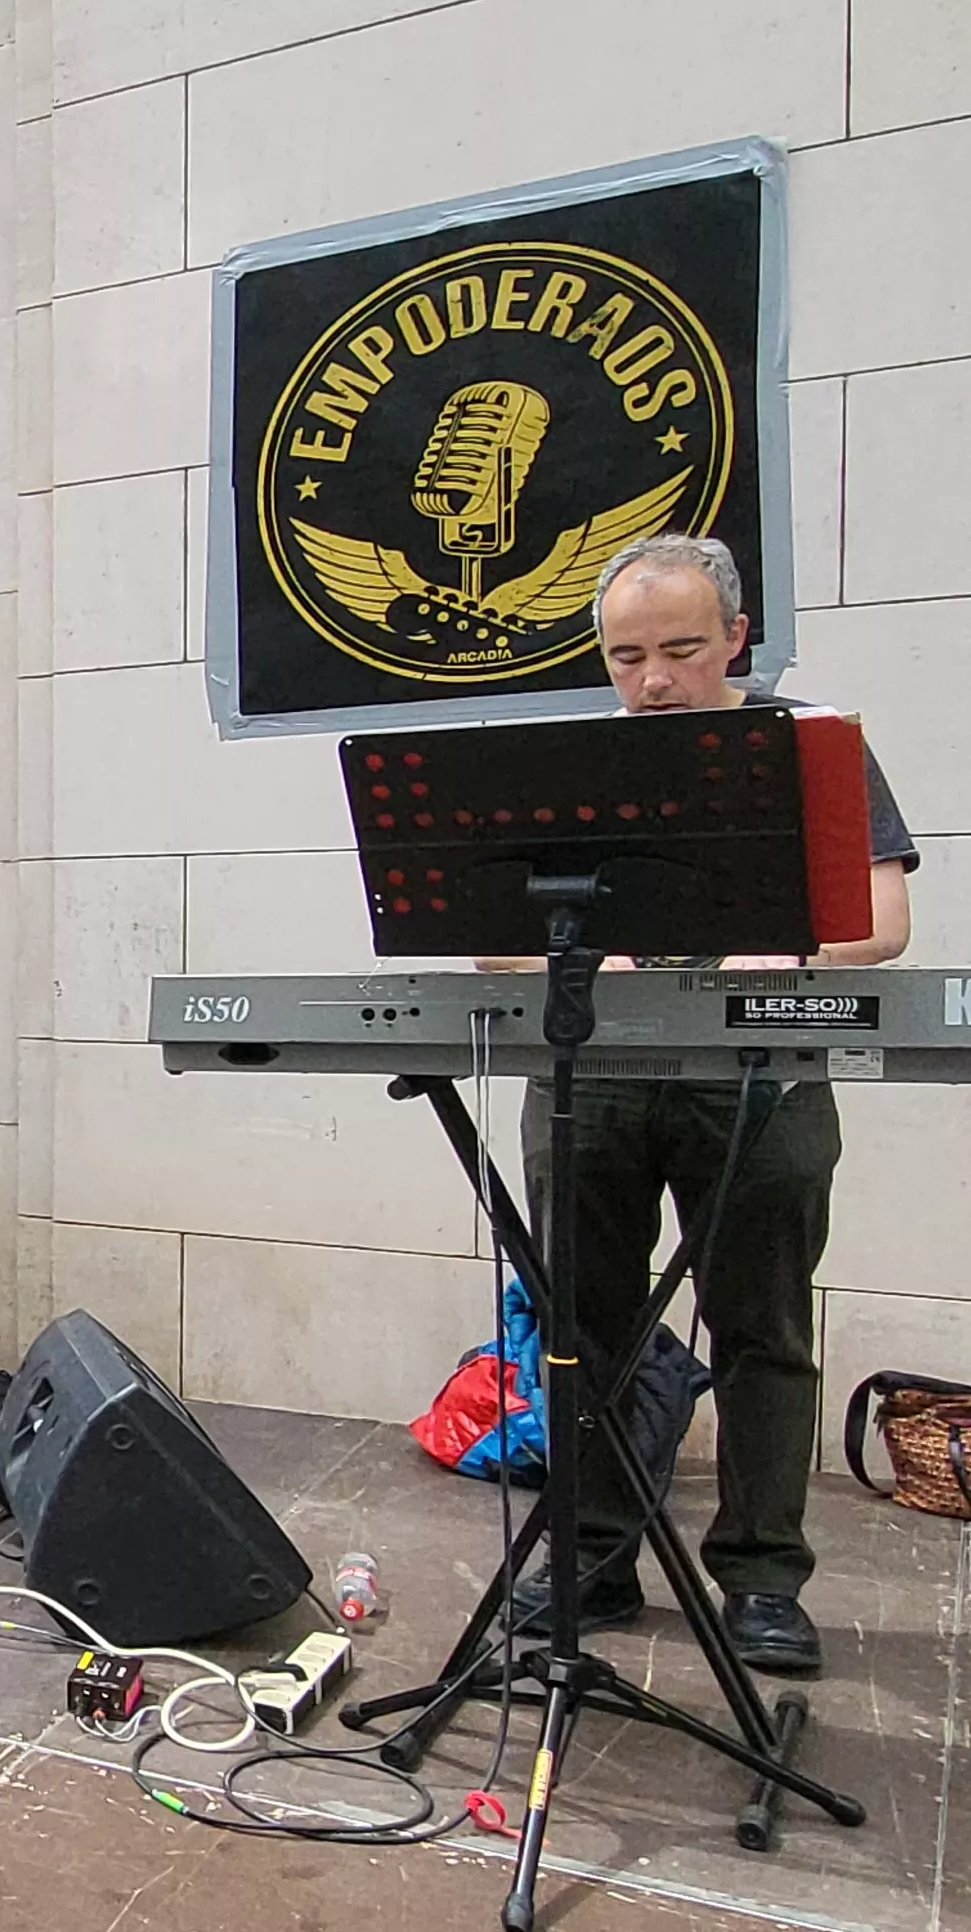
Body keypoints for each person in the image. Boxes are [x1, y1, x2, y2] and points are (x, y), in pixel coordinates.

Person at [487, 533, 915, 1678]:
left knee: (762, 1328)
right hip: (598, 1079)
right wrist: (575, 966)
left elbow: (879, 923)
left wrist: (784, 951)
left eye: (679, 649)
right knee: (584, 1332)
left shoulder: (806, 749)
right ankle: (591, 1559)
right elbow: (485, 941)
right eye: (626, 656)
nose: (653, 679)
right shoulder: (569, 767)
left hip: (758, 1080)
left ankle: (764, 1579)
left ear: (735, 637)